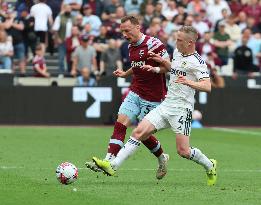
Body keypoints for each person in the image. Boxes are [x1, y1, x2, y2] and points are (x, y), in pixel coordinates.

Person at [93, 26, 218, 186]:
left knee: (183, 152)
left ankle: (209, 165)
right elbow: (176, 69)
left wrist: (189, 82)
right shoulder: (179, 53)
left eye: (179, 40)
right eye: (176, 38)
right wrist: (160, 64)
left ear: (190, 42)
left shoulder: (198, 62)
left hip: (182, 110)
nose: (176, 42)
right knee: (138, 132)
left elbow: (207, 86)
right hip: (166, 105)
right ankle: (113, 166)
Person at [86, 15, 170, 180]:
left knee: (143, 135)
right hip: (136, 91)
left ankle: (162, 158)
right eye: (122, 31)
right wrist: (126, 73)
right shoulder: (130, 46)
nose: (124, 34)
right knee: (120, 123)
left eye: (127, 30)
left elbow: (168, 66)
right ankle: (108, 160)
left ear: (138, 27)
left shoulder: (154, 44)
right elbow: (137, 65)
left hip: (153, 97)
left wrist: (155, 69)